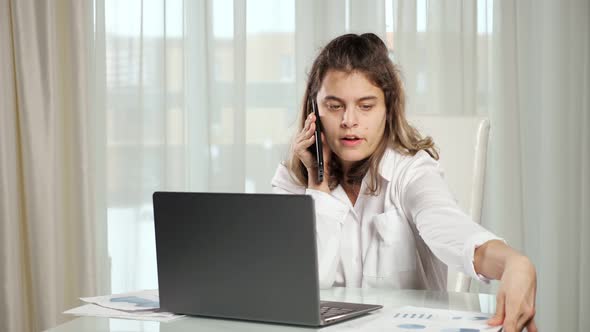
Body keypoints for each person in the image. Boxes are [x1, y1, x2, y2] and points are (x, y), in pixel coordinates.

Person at [271, 33, 537, 332]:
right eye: (334, 106)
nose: (349, 120)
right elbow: (295, 291)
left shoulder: (412, 171)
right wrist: (318, 187)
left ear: (388, 108)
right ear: (314, 111)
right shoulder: (293, 180)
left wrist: (515, 264)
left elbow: (452, 229)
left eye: (366, 105)